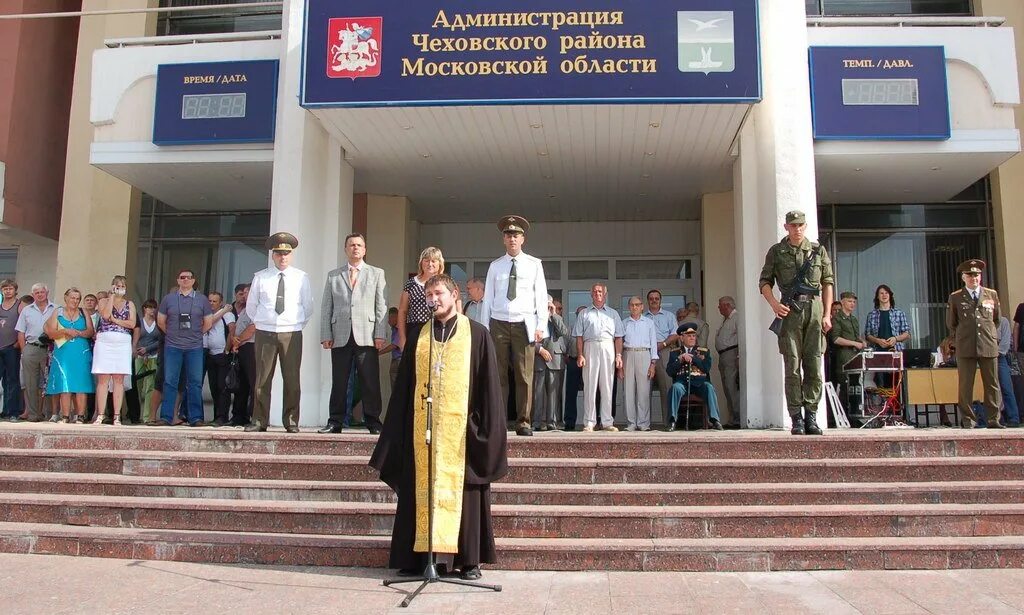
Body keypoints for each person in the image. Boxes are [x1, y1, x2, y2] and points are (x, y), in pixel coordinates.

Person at [369, 273, 508, 580]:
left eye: (439, 294)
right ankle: (418, 558)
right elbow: (405, 388)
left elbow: (489, 389)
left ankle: (468, 561)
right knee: (419, 493)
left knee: (466, 495)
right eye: (429, 295)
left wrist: (487, 431)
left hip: (462, 434)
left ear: (454, 294)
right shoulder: (420, 335)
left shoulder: (478, 334)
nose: (434, 300)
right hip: (424, 433)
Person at [759, 209, 834, 436]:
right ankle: (796, 418)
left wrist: (827, 314)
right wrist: (773, 303)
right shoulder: (777, 251)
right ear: (786, 227)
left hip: (814, 308)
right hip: (790, 311)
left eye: (800, 225)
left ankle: (811, 415)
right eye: (793, 226)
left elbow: (827, 282)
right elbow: (764, 281)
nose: (797, 229)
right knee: (792, 366)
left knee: (813, 366)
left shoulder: (818, 250)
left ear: (805, 226)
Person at [479, 215, 549, 437]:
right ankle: (498, 421)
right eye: (508, 235)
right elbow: (488, 298)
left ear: (523, 239)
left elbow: (541, 297)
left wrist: (541, 326)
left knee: (524, 375)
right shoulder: (495, 266)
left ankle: (523, 421)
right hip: (498, 323)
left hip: (524, 323)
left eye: (516, 235)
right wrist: (484, 329)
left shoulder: (534, 264)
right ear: (503, 239)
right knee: (497, 375)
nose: (512, 239)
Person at [319, 233, 388, 435]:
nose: (355, 248)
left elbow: (381, 306)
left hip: (367, 334)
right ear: (345, 249)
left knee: (369, 381)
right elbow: (326, 307)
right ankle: (335, 422)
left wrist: (380, 334)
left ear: (365, 249)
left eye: (359, 245)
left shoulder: (376, 273)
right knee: (339, 381)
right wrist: (326, 334)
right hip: (340, 334)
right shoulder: (334, 275)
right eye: (351, 245)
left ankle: (374, 422)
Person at [245, 232, 313, 433]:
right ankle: (259, 421)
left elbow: (308, 306)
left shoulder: (301, 277)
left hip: (291, 332)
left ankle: (291, 421)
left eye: (286, 253)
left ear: (291, 255)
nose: (282, 257)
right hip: (265, 332)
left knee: (292, 379)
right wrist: (263, 322)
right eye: (278, 253)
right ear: (272, 255)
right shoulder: (261, 277)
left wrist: (295, 323)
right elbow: (251, 306)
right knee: (262, 379)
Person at [947, 258, 1003, 429]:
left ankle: (993, 419)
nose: (974, 278)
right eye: (970, 275)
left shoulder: (991, 294)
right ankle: (968, 420)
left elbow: (997, 320)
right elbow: (951, 323)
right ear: (963, 277)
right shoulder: (956, 297)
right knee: (965, 384)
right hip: (965, 345)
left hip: (987, 344)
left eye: (977, 275)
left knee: (992, 383)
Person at [157, 268, 214, 427]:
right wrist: (171, 334)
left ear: (193, 281)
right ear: (178, 280)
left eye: (189, 277)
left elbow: (208, 322)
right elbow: (161, 321)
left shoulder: (202, 300)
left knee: (195, 382)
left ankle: (196, 418)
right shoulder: (168, 299)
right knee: (170, 381)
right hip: (173, 346)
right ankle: (166, 417)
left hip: (194, 347)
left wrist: (196, 335)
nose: (185, 280)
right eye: (182, 277)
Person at [574, 283, 623, 432]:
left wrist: (619, 355)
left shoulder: (613, 314)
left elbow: (619, 337)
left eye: (600, 291)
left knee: (607, 385)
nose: (598, 294)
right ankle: (589, 422)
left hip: (608, 347)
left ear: (605, 294)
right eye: (595, 292)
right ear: (591, 294)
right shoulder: (584, 313)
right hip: (590, 347)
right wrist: (580, 354)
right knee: (590, 385)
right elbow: (579, 337)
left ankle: (607, 421)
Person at [44, 288, 95, 422]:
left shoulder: (83, 312)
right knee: (64, 382)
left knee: (81, 384)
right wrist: (65, 331)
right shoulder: (58, 312)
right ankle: (65, 415)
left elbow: (90, 331)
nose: (75, 301)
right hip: (63, 351)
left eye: (78, 298)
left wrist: (78, 332)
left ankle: (80, 415)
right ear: (66, 298)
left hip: (81, 351)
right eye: (72, 298)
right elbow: (50, 333)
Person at [92, 275, 137, 425]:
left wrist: (116, 320)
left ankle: (117, 415)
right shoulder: (104, 301)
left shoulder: (129, 303)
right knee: (103, 379)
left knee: (119, 379)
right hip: (105, 341)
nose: (120, 288)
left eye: (123, 285)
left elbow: (132, 323)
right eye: (117, 285)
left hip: (122, 342)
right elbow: (105, 315)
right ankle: (101, 414)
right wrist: (111, 296)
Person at [667, 325, 724, 431]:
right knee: (675, 388)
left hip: (699, 384)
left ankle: (715, 420)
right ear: (681, 338)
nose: (692, 338)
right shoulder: (675, 353)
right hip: (682, 383)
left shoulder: (703, 351)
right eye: (689, 336)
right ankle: (672, 421)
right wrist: (681, 359)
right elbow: (670, 372)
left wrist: (694, 359)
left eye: (694, 336)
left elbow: (706, 368)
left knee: (709, 387)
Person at [15, 283, 55, 422]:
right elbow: (21, 331)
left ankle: (50, 414)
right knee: (30, 383)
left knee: (49, 382)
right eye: (36, 292)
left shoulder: (56, 308)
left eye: (42, 292)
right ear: (33, 295)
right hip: (31, 348)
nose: (39, 294)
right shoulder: (27, 310)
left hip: (50, 349)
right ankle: (33, 415)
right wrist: (24, 349)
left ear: (47, 292)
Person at [532, 295, 570, 431]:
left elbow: (564, 333)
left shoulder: (556, 318)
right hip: (538, 358)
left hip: (555, 359)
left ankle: (552, 422)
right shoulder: (533, 318)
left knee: (554, 393)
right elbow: (528, 338)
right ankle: (536, 422)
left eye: (549, 306)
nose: (546, 309)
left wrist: (553, 314)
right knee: (538, 392)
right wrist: (539, 349)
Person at [620, 296, 658, 432]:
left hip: (644, 354)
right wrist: (620, 364)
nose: (634, 307)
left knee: (644, 391)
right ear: (629, 307)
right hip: (628, 354)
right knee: (628, 391)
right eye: (632, 305)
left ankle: (643, 423)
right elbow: (619, 343)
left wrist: (653, 363)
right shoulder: (624, 323)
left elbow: (653, 343)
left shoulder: (649, 323)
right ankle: (631, 423)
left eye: (637, 305)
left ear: (642, 306)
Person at [397, 247, 444, 351]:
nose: (430, 264)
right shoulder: (411, 284)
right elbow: (402, 311)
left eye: (433, 261)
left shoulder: (446, 283)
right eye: (426, 260)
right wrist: (402, 338)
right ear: (421, 263)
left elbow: (457, 310)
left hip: (440, 330)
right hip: (415, 331)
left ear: (440, 263)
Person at [645, 290, 679, 428]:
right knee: (645, 389)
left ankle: (668, 422)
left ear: (660, 300)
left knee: (666, 388)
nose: (654, 300)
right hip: (646, 353)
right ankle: (645, 423)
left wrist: (663, 344)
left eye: (656, 298)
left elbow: (675, 334)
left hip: (664, 351)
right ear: (648, 301)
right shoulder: (643, 317)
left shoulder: (669, 316)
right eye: (651, 298)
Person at [203, 291, 237, 427]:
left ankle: (223, 416)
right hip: (210, 355)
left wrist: (227, 349)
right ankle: (216, 415)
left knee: (222, 387)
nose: (211, 303)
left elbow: (232, 330)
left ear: (220, 302)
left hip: (222, 354)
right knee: (213, 387)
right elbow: (207, 324)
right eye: (210, 301)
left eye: (214, 301)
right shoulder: (209, 316)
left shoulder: (228, 314)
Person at [828, 291, 865, 396]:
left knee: (855, 386)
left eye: (854, 302)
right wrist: (854, 343)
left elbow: (855, 336)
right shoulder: (837, 318)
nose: (852, 304)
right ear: (842, 302)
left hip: (855, 356)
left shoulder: (853, 319)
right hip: (844, 356)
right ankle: (844, 412)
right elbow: (836, 339)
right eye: (849, 301)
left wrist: (861, 341)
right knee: (845, 387)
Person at [133, 299, 162, 425]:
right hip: (139, 356)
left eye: (154, 307)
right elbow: (135, 336)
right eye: (149, 307)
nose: (152, 310)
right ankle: (135, 414)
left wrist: (148, 349)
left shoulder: (158, 322)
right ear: (144, 308)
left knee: (151, 386)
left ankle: (147, 416)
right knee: (137, 386)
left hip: (153, 356)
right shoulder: (138, 321)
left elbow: (160, 339)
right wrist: (139, 350)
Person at [714, 296, 740, 428]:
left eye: (720, 305)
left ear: (727, 305)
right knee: (727, 387)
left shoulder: (736, 318)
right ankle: (732, 418)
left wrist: (738, 356)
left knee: (731, 386)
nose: (718, 308)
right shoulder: (725, 320)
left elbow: (741, 337)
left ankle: (737, 419)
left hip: (731, 353)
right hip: (723, 355)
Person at [230, 297, 257, 427]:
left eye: (248, 292)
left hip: (251, 347)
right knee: (241, 384)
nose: (246, 295)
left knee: (253, 382)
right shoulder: (246, 310)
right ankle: (238, 416)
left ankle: (253, 415)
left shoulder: (257, 310)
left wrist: (238, 340)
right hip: (241, 347)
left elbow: (252, 328)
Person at [864, 284, 911, 353]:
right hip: (876, 352)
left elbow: (907, 334)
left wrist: (895, 339)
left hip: (896, 352)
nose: (884, 295)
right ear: (877, 296)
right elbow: (867, 335)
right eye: (881, 293)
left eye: (886, 293)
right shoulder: (871, 315)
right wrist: (877, 340)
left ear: (890, 295)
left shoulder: (899, 313)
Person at [0, 279, 22, 421]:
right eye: (5, 289)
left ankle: (13, 411)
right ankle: (4, 410)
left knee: (12, 380)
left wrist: (19, 343)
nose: (8, 291)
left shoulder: (20, 305)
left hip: (12, 348)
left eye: (10, 288)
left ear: (15, 290)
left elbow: (24, 325)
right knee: (2, 382)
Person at [562, 305, 587, 431]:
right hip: (573, 362)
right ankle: (569, 422)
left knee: (592, 392)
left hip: (589, 363)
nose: (581, 316)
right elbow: (564, 348)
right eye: (579, 314)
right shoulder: (570, 328)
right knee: (571, 393)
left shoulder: (590, 329)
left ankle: (593, 421)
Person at [996, 315, 1021, 427]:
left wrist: (996, 352)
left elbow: (1005, 343)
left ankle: (1013, 418)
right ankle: (993, 418)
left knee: (1006, 387)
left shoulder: (1003, 321)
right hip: (983, 358)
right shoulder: (980, 321)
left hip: (999, 358)